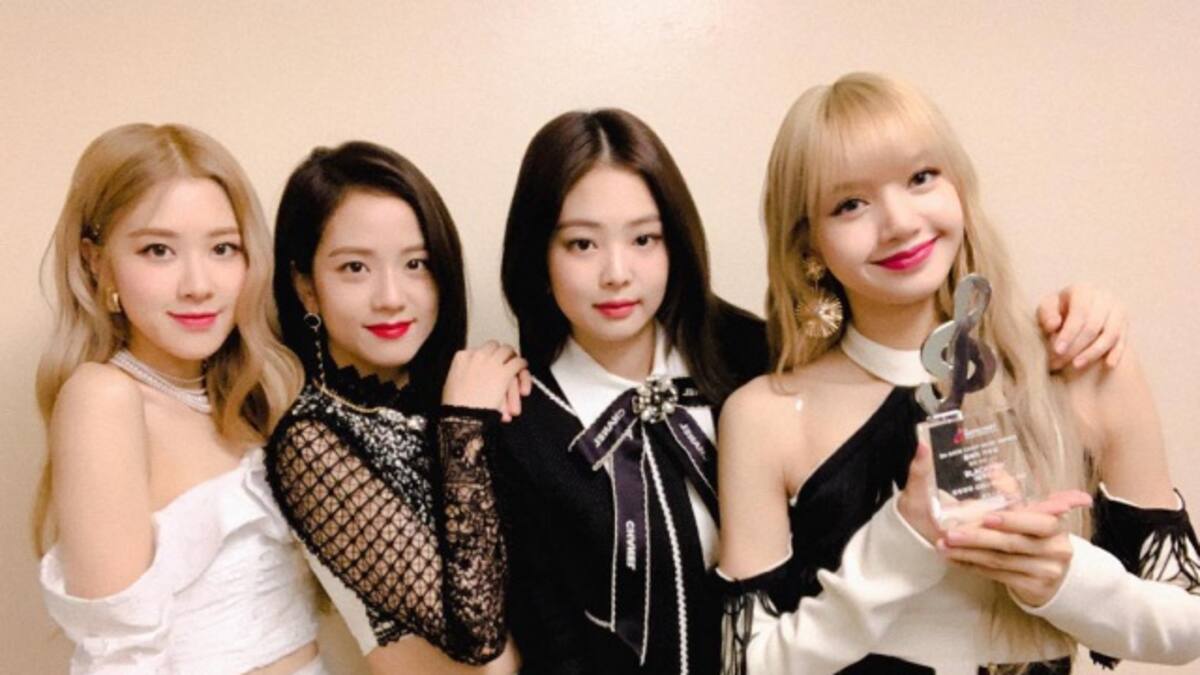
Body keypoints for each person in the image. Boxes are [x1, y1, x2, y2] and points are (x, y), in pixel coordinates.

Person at [494, 107, 1130, 675]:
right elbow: (544, 640)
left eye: (644, 238)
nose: (617, 273)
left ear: (676, 244)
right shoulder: (519, 420)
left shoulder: (757, 358)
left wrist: (1076, 313)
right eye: (581, 243)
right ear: (538, 256)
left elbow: (903, 332)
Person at [718, 72, 1200, 674]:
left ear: (960, 186)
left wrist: (1065, 577)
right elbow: (748, 667)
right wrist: (901, 541)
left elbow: (1187, 626)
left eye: (921, 177)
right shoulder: (765, 416)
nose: (899, 221)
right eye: (850, 204)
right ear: (808, 243)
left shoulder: (1079, 363)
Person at [34, 123, 325, 674]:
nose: (198, 284)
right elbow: (121, 657)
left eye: (223, 248)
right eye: (158, 250)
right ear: (96, 261)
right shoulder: (104, 399)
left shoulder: (248, 394)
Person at [267, 141, 525, 675]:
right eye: (355, 267)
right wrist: (465, 423)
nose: (391, 296)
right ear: (306, 286)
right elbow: (477, 635)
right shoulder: (310, 438)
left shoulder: (443, 397)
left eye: (415, 264)